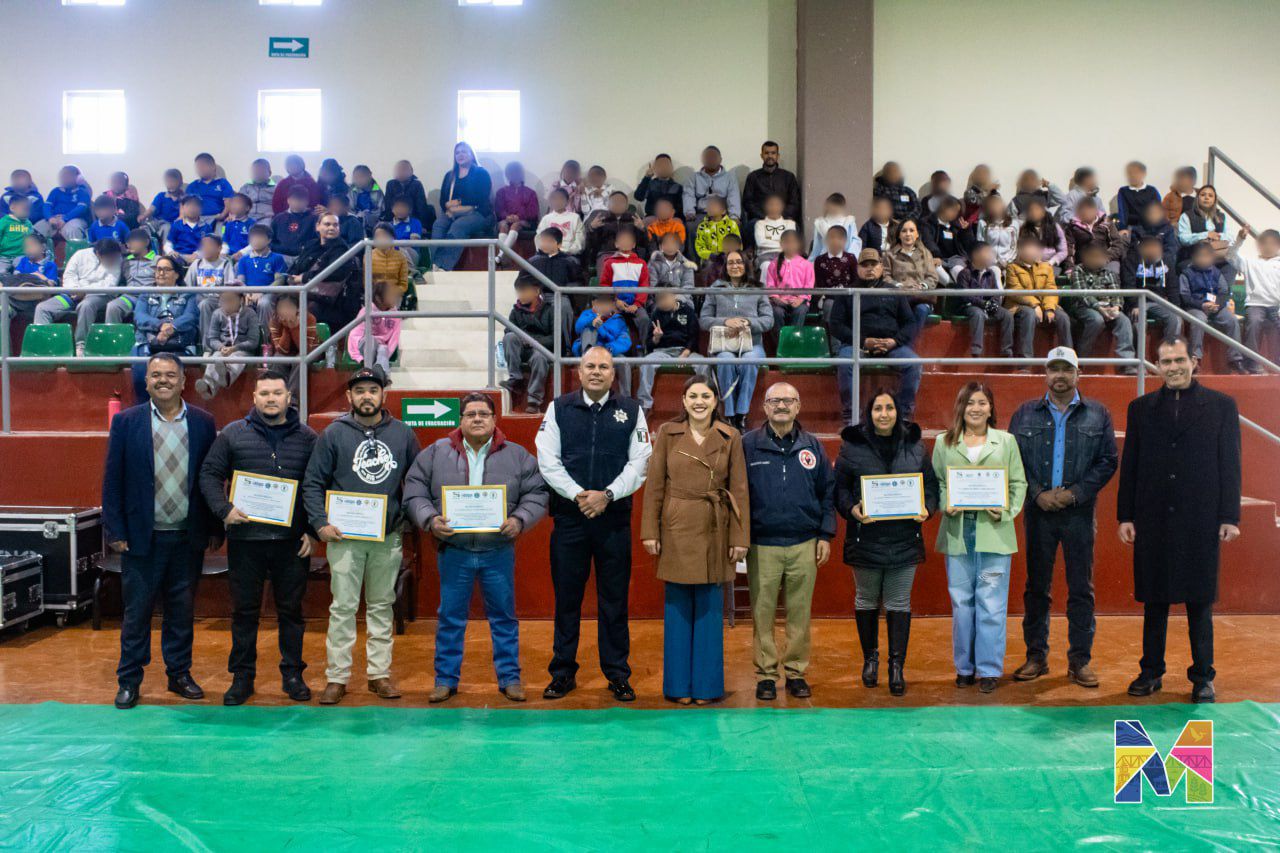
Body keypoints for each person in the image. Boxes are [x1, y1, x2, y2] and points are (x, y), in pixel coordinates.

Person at [1118, 336, 1240, 703]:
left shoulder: (1221, 406)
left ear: (1194, 361)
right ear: (1157, 366)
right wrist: (1125, 515)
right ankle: (1150, 671)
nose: (1173, 367)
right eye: (1165, 361)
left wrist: (1229, 516)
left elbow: (1230, 464)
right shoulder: (1140, 408)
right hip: (1152, 518)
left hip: (1199, 519)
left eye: (1179, 360)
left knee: (1199, 602)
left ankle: (1203, 676)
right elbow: (1131, 466)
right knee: (1154, 601)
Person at [404, 393, 548, 703]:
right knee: (450, 618)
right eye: (471, 414)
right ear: (461, 420)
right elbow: (414, 490)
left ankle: (510, 679)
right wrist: (429, 519)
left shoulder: (518, 455)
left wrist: (520, 519)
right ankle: (445, 680)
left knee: (504, 618)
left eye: (484, 413)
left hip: (497, 550)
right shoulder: (434, 454)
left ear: (495, 419)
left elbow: (537, 493)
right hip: (453, 550)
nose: (477, 418)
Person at [101, 353, 221, 709]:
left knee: (181, 613)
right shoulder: (126, 423)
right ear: (147, 381)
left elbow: (211, 479)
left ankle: (179, 674)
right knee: (136, 614)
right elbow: (112, 480)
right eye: (156, 375)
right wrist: (116, 529)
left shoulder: (203, 422)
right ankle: (129, 680)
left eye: (171, 375)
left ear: (184, 381)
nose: (163, 380)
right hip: (141, 538)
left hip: (187, 537)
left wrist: (214, 527)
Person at [535, 347, 652, 702]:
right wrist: (579, 495)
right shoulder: (558, 408)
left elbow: (641, 461)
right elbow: (547, 459)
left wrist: (608, 495)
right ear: (579, 372)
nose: (597, 371)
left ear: (613, 374)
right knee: (566, 600)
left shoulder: (631, 411)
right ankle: (562, 672)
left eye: (604, 366)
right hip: (571, 520)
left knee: (613, 601)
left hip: (614, 519)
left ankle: (617, 674)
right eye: (590, 366)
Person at [302, 366, 421, 706]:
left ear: (383, 394)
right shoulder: (333, 434)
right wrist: (320, 523)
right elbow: (313, 483)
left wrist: (408, 522)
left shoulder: (403, 434)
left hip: (387, 536)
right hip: (343, 537)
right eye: (360, 391)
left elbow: (415, 483)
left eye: (373, 389)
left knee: (382, 606)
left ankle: (378, 674)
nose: (366, 396)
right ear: (349, 397)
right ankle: (337, 677)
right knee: (342, 607)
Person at [198, 369, 317, 705]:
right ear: (254, 398)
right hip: (245, 541)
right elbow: (209, 474)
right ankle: (242, 677)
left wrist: (311, 529)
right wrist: (224, 510)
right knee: (244, 611)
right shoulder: (233, 435)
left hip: (291, 543)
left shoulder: (308, 438)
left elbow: (318, 487)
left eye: (277, 393)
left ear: (288, 398)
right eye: (264, 393)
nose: (270, 399)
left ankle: (293, 675)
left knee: (291, 612)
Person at [1009, 348, 1118, 688]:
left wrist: (1074, 494)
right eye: (1053, 368)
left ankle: (1080, 661)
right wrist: (1038, 493)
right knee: (1036, 587)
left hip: (1079, 514)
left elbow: (1107, 461)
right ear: (1045, 373)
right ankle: (1036, 657)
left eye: (1066, 369)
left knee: (1081, 589)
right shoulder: (1024, 414)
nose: (1060, 375)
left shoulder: (1098, 414)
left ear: (1077, 373)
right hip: (1038, 512)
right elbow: (1015, 461)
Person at [641, 376, 747, 704]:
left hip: (716, 526)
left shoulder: (731, 437)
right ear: (683, 402)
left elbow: (740, 489)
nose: (699, 401)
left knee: (709, 612)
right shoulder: (668, 435)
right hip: (675, 525)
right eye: (692, 396)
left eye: (705, 395)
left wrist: (740, 537)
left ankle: (706, 687)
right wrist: (650, 531)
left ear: (716, 401)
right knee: (677, 610)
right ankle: (677, 687)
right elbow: (654, 486)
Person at [835, 388, 938, 695]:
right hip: (864, 537)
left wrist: (927, 509)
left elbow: (930, 487)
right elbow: (839, 490)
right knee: (865, 600)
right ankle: (870, 660)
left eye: (889, 408)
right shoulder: (851, 447)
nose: (884, 414)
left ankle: (896, 666)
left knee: (898, 603)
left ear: (898, 412)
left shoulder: (915, 447)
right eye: (878, 408)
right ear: (870, 413)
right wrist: (852, 510)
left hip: (904, 540)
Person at [742, 383, 835, 700]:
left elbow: (828, 494)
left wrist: (825, 535)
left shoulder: (814, 447)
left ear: (799, 406)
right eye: (774, 400)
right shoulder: (748, 445)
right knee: (762, 613)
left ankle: (796, 672)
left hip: (804, 544)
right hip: (762, 545)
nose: (781, 405)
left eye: (788, 400)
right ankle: (766, 675)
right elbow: (737, 495)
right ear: (764, 407)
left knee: (799, 613)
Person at [933, 382, 1027, 693]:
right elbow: (939, 482)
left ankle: (989, 669)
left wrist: (1008, 511)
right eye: (970, 402)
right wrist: (947, 502)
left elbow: (1018, 483)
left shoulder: (1006, 441)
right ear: (961, 407)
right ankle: (964, 668)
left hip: (994, 533)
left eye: (982, 403)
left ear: (991, 408)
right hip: (958, 533)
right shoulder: (943, 443)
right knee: (962, 604)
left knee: (992, 603)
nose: (976, 408)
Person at [829, 248, 923, 423]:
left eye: (874, 264)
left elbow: (910, 322)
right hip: (856, 344)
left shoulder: (893, 291)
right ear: (858, 268)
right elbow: (836, 325)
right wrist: (863, 342)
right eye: (865, 265)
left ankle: (903, 417)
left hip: (891, 345)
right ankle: (851, 417)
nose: (870, 268)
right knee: (845, 362)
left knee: (914, 364)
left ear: (881, 267)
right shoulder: (848, 292)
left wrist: (895, 341)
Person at [699, 249, 773, 430]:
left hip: (752, 344)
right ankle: (729, 415)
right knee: (725, 360)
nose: (735, 266)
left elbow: (768, 320)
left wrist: (748, 322)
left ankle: (742, 414)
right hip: (724, 344)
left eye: (739, 262)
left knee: (750, 359)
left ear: (746, 265)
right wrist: (726, 321)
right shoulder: (715, 288)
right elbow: (704, 320)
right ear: (725, 266)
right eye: (731, 263)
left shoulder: (758, 288)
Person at [34, 238, 123, 356]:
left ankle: (81, 345)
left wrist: (84, 291)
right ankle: (43, 347)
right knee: (42, 308)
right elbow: (69, 275)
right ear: (98, 254)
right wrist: (75, 290)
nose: (112, 260)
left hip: (99, 295)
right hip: (73, 294)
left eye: (114, 257)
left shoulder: (117, 259)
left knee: (86, 305)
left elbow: (109, 284)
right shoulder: (80, 255)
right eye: (109, 258)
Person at [129, 256, 200, 401]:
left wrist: (171, 328)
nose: (160, 273)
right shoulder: (146, 293)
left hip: (179, 343)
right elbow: (139, 316)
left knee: (173, 378)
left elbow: (191, 317)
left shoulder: (188, 294)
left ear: (177, 274)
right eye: (158, 269)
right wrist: (161, 326)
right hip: (148, 341)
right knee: (141, 375)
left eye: (166, 269)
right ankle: (144, 408)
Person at [1065, 243, 1136, 370]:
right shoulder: (1078, 270)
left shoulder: (1110, 273)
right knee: (1096, 320)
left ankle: (1127, 363)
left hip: (1108, 307)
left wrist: (1116, 307)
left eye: (1099, 257)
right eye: (1093, 257)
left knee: (1124, 320)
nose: (1097, 260)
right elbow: (1083, 294)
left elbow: (1116, 293)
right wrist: (1099, 308)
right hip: (1084, 307)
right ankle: (1080, 360)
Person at [288, 213, 362, 332]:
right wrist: (292, 277)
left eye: (335, 225)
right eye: (327, 224)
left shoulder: (342, 250)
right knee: (277, 301)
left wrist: (303, 278)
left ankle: (307, 347)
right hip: (304, 292)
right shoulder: (311, 245)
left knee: (304, 310)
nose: (331, 228)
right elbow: (298, 265)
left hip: (330, 302)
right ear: (317, 226)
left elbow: (334, 273)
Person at [1179, 240, 1246, 373]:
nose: (1204, 259)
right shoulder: (1186, 273)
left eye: (1207, 255)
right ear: (1193, 257)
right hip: (1196, 307)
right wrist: (1202, 305)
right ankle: (1195, 359)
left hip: (1216, 307)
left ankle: (1235, 359)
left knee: (1232, 320)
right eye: (1200, 255)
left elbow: (1224, 291)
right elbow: (1185, 297)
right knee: (1199, 321)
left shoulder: (1216, 272)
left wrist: (1218, 305)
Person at [1006, 236, 1073, 364]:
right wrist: (1035, 305)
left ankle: (1068, 360)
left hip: (1044, 305)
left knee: (1063, 317)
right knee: (1029, 314)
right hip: (1019, 305)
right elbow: (1016, 291)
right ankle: (1025, 361)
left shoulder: (1046, 267)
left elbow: (1051, 289)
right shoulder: (1012, 268)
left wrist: (1049, 308)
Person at [431, 142, 494, 271]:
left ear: (471, 154)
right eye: (457, 152)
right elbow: (443, 200)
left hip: (478, 213)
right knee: (438, 224)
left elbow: (481, 197)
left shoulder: (481, 173)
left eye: (464, 151)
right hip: (452, 213)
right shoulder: (449, 175)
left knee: (459, 226)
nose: (460, 155)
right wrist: (449, 207)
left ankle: (443, 265)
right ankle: (432, 264)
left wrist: (457, 202)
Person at [637, 286, 700, 414]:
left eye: (664, 298)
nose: (662, 302)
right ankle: (645, 404)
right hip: (662, 351)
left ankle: (700, 401)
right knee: (646, 363)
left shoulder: (687, 311)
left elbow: (694, 336)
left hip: (685, 351)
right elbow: (649, 344)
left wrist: (686, 352)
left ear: (673, 296)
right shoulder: (656, 314)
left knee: (704, 364)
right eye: (659, 299)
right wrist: (656, 338)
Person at [503, 274, 557, 414]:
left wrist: (534, 342)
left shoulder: (550, 310)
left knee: (539, 358)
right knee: (509, 337)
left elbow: (555, 338)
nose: (521, 294)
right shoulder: (515, 311)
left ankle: (534, 400)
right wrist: (522, 340)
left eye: (524, 290)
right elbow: (509, 330)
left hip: (541, 349)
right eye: (519, 291)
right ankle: (515, 378)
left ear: (536, 291)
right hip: (522, 349)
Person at [195, 289, 260, 400]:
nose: (226, 303)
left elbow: (253, 341)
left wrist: (235, 348)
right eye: (223, 300)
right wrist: (221, 347)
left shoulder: (250, 314)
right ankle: (208, 386)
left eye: (230, 300)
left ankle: (227, 377)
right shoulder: (217, 313)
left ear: (241, 300)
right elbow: (213, 338)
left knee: (237, 358)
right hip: (223, 349)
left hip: (242, 349)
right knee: (216, 358)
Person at [1231, 228, 1280, 372]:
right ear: (1259, 245)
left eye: (1273, 243)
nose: (1268, 246)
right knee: (1254, 322)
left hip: (1276, 306)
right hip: (1255, 305)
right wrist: (1239, 239)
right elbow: (1230, 256)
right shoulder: (1249, 263)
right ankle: (1251, 362)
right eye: (1265, 243)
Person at [956, 242, 1014, 359]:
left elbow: (995, 292)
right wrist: (984, 304)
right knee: (977, 314)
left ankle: (1006, 350)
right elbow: (966, 296)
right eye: (986, 253)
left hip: (987, 305)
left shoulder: (990, 273)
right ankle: (976, 350)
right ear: (976, 255)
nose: (989, 256)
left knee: (1007, 314)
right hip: (969, 306)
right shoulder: (964, 274)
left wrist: (994, 304)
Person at [884, 217, 938, 342]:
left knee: (921, 309)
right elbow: (885, 277)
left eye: (911, 230)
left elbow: (932, 277)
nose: (908, 234)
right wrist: (898, 285)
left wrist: (922, 286)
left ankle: (908, 344)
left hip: (920, 297)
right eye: (904, 231)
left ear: (917, 234)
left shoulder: (925, 253)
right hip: (899, 297)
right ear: (899, 234)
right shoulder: (890, 255)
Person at [1123, 233, 1183, 343]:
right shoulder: (1131, 260)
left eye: (1155, 246)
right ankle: (1140, 357)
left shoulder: (1167, 260)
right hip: (1139, 302)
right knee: (1138, 321)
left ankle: (1167, 353)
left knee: (1174, 319)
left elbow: (1172, 286)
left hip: (1158, 302)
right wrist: (1134, 305)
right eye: (1148, 246)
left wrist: (1176, 308)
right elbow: (1128, 285)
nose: (1152, 250)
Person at [573, 294, 633, 396]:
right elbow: (578, 327)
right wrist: (592, 321)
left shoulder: (618, 320)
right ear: (593, 303)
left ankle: (626, 397)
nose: (603, 305)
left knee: (624, 361)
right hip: (588, 352)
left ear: (613, 305)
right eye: (600, 302)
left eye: (607, 302)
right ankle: (585, 394)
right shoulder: (587, 314)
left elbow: (625, 341)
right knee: (589, 330)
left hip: (609, 352)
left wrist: (608, 349)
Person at [185, 234, 237, 339]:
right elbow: (188, 286)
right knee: (200, 303)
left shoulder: (225, 264)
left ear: (219, 248)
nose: (206, 248)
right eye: (203, 245)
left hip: (218, 300)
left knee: (205, 304)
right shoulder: (197, 263)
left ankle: (207, 346)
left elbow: (230, 287)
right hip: (198, 299)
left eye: (210, 245)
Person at [1176, 184, 1236, 276]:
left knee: (1232, 265)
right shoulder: (1187, 216)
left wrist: (1218, 236)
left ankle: (1223, 290)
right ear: (1197, 198)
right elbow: (1184, 238)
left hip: (1216, 255)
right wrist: (1205, 235)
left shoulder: (1221, 216)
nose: (1206, 198)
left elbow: (1230, 236)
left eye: (1210, 196)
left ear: (1214, 200)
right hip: (1193, 256)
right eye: (1203, 195)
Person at [237, 224, 290, 325]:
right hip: (248, 293)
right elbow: (241, 281)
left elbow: (279, 280)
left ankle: (266, 338)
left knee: (264, 303)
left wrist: (262, 293)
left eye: (260, 237)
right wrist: (247, 294)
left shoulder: (277, 258)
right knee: (240, 302)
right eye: (253, 237)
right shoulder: (243, 259)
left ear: (269, 240)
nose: (256, 240)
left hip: (269, 293)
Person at [742, 140, 802, 230]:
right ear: (761, 156)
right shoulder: (753, 177)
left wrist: (779, 217)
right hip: (760, 220)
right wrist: (766, 217)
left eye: (773, 153)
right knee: (750, 226)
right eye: (766, 153)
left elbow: (794, 203)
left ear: (778, 156)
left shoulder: (788, 177)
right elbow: (748, 202)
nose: (770, 156)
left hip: (784, 219)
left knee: (794, 227)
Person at [267, 293, 315, 396]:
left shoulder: (309, 318)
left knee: (300, 360)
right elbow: (281, 350)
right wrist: (288, 328)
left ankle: (292, 401)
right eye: (281, 307)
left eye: (288, 307)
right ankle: (278, 394)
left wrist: (295, 327)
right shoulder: (274, 321)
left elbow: (304, 350)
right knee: (277, 359)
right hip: (286, 352)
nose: (284, 310)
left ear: (297, 308)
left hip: (310, 352)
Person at [765, 229, 814, 330]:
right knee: (776, 312)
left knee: (800, 311)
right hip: (780, 302)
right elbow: (770, 286)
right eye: (787, 242)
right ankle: (781, 342)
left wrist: (800, 299)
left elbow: (808, 286)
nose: (790, 245)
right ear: (781, 244)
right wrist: (778, 299)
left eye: (793, 242)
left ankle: (794, 341)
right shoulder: (773, 264)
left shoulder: (806, 265)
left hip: (800, 302)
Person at [1063, 197, 1125, 275]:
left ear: (1095, 210)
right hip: (1083, 263)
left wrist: (1105, 258)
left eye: (1089, 209)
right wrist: (1070, 268)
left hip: (1106, 260)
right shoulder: (1073, 227)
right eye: (1082, 210)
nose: (1086, 213)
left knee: (1112, 273)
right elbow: (1069, 250)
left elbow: (1117, 245)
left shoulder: (1107, 224)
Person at [347, 286, 401, 373]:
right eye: (390, 295)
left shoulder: (396, 316)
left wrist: (386, 355)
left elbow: (394, 340)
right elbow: (355, 334)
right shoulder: (366, 311)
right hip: (363, 345)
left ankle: (381, 377)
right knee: (370, 340)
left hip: (381, 347)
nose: (394, 298)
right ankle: (369, 372)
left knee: (383, 349)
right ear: (378, 298)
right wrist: (357, 356)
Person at [919, 195, 972, 284]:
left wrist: (966, 231)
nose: (955, 214)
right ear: (944, 207)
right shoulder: (927, 223)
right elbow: (928, 242)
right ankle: (951, 290)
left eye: (957, 211)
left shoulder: (956, 226)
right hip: (936, 258)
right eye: (953, 210)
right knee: (935, 267)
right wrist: (936, 256)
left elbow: (969, 244)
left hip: (955, 259)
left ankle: (964, 293)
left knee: (959, 271)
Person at [684, 145, 741, 222]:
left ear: (720, 159)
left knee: (732, 226)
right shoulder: (694, 177)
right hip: (701, 214)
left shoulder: (730, 178)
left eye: (714, 157)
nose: (711, 160)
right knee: (691, 225)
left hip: (722, 214)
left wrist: (734, 216)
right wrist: (690, 213)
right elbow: (688, 196)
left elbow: (734, 197)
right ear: (703, 160)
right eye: (708, 157)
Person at [35, 165, 91, 242]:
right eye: (63, 176)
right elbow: (47, 206)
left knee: (73, 230)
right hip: (54, 218)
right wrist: (50, 218)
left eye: (68, 176)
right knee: (36, 229)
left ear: (78, 179)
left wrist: (65, 219)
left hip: (74, 219)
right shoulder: (55, 191)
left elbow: (81, 209)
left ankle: (76, 253)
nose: (64, 178)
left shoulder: (83, 192)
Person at [380, 159, 435, 233]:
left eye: (404, 169)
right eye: (398, 170)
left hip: (413, 218)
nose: (401, 172)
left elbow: (421, 207)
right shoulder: (390, 184)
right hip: (395, 218)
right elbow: (388, 206)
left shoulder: (417, 185)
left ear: (411, 172)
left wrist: (422, 225)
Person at [496, 161, 540, 249]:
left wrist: (518, 217)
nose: (515, 175)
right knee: (503, 225)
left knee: (515, 225)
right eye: (511, 173)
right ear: (507, 175)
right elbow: (499, 210)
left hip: (526, 222)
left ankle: (501, 256)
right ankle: (503, 258)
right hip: (505, 220)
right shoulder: (501, 192)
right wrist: (507, 217)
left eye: (517, 173)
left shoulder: (530, 193)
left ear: (521, 174)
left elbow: (533, 212)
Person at [270, 186, 319, 263]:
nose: (297, 202)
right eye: (294, 199)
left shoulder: (314, 218)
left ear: (307, 201)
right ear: (288, 200)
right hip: (280, 256)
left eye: (301, 199)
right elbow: (270, 240)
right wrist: (280, 249)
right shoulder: (278, 218)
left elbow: (317, 240)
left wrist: (304, 249)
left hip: (303, 257)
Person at [647, 231, 696, 304]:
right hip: (659, 300)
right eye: (666, 243)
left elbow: (688, 286)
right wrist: (664, 298)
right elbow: (652, 285)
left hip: (682, 300)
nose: (670, 246)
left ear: (678, 246)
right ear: (660, 246)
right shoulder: (653, 263)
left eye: (673, 243)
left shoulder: (686, 265)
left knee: (687, 309)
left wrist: (677, 299)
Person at [809, 193, 860, 261]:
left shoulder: (849, 221)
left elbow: (855, 242)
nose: (835, 208)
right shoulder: (820, 223)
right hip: (826, 259)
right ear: (827, 205)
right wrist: (811, 262)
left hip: (845, 259)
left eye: (838, 205)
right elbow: (817, 246)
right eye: (833, 204)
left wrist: (850, 258)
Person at [187, 153, 235, 224]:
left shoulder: (223, 183)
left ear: (213, 167)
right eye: (198, 167)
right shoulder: (193, 186)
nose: (200, 169)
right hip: (197, 218)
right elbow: (185, 205)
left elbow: (229, 204)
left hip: (217, 218)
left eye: (203, 166)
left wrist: (221, 216)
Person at [635, 153, 685, 220]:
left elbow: (681, 209)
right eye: (660, 165)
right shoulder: (650, 184)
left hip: (672, 219)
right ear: (655, 168)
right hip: (653, 218)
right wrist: (647, 177)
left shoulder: (678, 187)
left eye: (666, 164)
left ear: (671, 167)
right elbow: (638, 197)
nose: (664, 167)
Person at [537, 188, 585, 256]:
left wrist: (569, 251)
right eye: (554, 199)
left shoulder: (575, 217)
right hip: (548, 253)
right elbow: (538, 238)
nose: (557, 201)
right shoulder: (546, 218)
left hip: (568, 254)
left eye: (561, 198)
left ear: (568, 201)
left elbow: (580, 240)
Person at [754, 194, 796, 271]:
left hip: (786, 254)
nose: (774, 207)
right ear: (765, 207)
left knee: (791, 267)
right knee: (767, 267)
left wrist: (770, 240)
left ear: (782, 206)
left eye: (777, 204)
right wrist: (782, 242)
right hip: (765, 255)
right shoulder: (760, 224)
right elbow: (760, 242)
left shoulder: (790, 223)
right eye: (771, 205)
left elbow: (790, 243)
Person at [976, 193, 1018, 270]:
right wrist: (993, 261)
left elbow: (1014, 246)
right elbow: (981, 245)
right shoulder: (983, 223)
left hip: (1007, 263)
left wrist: (1007, 261)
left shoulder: (1013, 224)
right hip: (989, 263)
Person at [1116, 161, 1161, 231]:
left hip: (1151, 228)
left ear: (1144, 174)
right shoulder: (1123, 191)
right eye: (1130, 173)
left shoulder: (1152, 190)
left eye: (1136, 172)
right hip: (1131, 228)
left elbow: (1157, 212)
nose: (1133, 175)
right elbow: (1123, 212)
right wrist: (1123, 229)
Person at [693, 195, 741, 262]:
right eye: (709, 206)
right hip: (710, 259)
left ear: (723, 211)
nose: (711, 208)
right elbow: (699, 246)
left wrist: (729, 254)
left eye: (715, 206)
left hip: (728, 257)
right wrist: (710, 255)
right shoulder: (702, 226)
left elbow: (738, 244)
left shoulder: (731, 225)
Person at [141, 168, 185, 241]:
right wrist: (144, 216)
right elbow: (151, 209)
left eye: (173, 181)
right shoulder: (161, 196)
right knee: (144, 229)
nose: (170, 184)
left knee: (167, 228)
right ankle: (147, 249)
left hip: (171, 223)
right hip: (157, 221)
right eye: (168, 182)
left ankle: (166, 250)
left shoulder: (183, 198)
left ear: (180, 183)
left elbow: (182, 214)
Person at [166, 195, 212, 262]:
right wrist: (171, 252)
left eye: (195, 205)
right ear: (183, 208)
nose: (192, 208)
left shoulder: (206, 227)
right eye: (188, 205)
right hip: (179, 256)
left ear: (201, 209)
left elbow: (208, 246)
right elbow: (168, 244)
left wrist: (198, 254)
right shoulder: (176, 225)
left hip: (198, 258)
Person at [0, 194, 34, 275]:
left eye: (28, 209)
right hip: (4, 256)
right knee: (1, 272)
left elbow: (32, 239)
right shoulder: (4, 221)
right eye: (24, 209)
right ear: (13, 208)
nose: (27, 212)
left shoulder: (28, 223)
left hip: (21, 256)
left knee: (21, 273)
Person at [347, 164, 384, 235]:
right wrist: (358, 216)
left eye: (362, 177)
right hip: (355, 221)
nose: (359, 180)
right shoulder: (351, 189)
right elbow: (349, 208)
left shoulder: (377, 190)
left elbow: (380, 210)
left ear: (370, 175)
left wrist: (367, 216)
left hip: (374, 223)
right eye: (356, 177)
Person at [389, 196, 424, 267]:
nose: (400, 209)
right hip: (392, 254)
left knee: (402, 251)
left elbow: (413, 242)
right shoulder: (388, 226)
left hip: (411, 253)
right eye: (397, 207)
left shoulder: (415, 223)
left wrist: (397, 247)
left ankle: (411, 272)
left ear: (410, 210)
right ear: (392, 209)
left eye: (403, 207)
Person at [240, 158, 276, 226]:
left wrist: (274, 214)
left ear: (269, 173)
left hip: (266, 217)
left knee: (266, 226)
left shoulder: (275, 188)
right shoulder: (246, 187)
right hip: (247, 217)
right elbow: (238, 202)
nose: (258, 174)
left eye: (261, 171)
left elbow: (281, 207)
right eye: (255, 172)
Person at [220, 193, 255, 259]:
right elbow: (225, 241)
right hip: (229, 256)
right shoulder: (227, 223)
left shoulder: (252, 224)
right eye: (232, 203)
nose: (234, 205)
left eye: (238, 203)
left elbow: (254, 244)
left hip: (246, 256)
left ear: (247, 208)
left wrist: (242, 253)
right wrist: (223, 252)